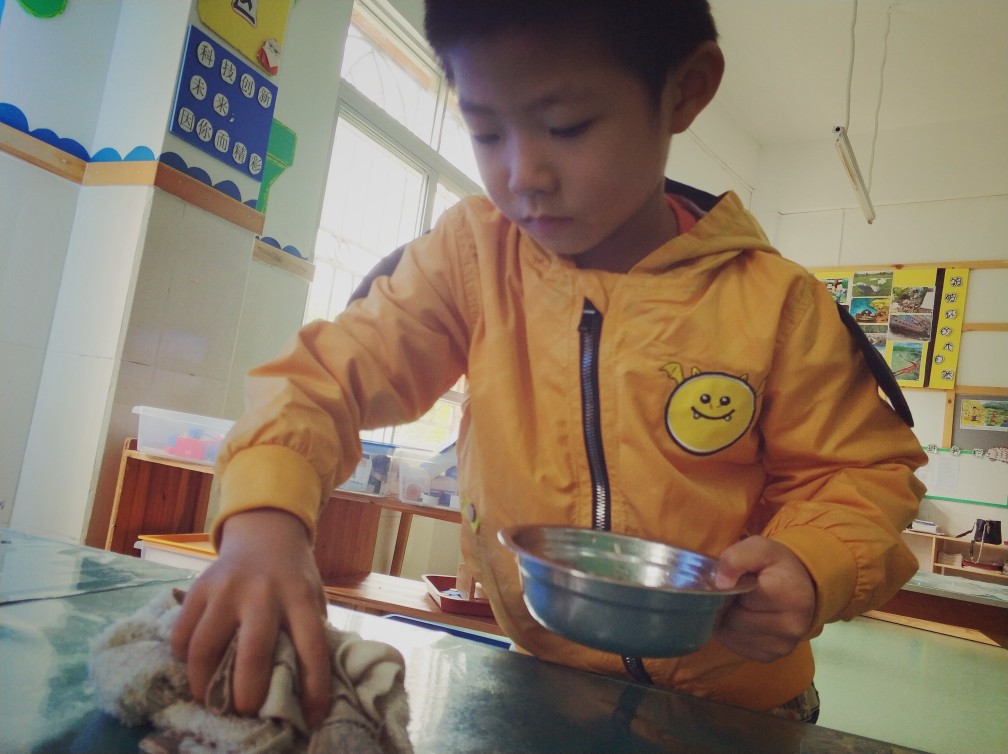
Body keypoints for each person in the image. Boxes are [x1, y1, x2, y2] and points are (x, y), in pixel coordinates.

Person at [171, 0, 927, 728]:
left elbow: (860, 473)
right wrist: (265, 522)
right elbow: (325, 380)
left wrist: (811, 563)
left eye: (566, 126)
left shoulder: (776, 304)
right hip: (539, 686)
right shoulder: (471, 258)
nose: (523, 174)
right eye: (485, 131)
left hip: (739, 710)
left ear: (685, 90)